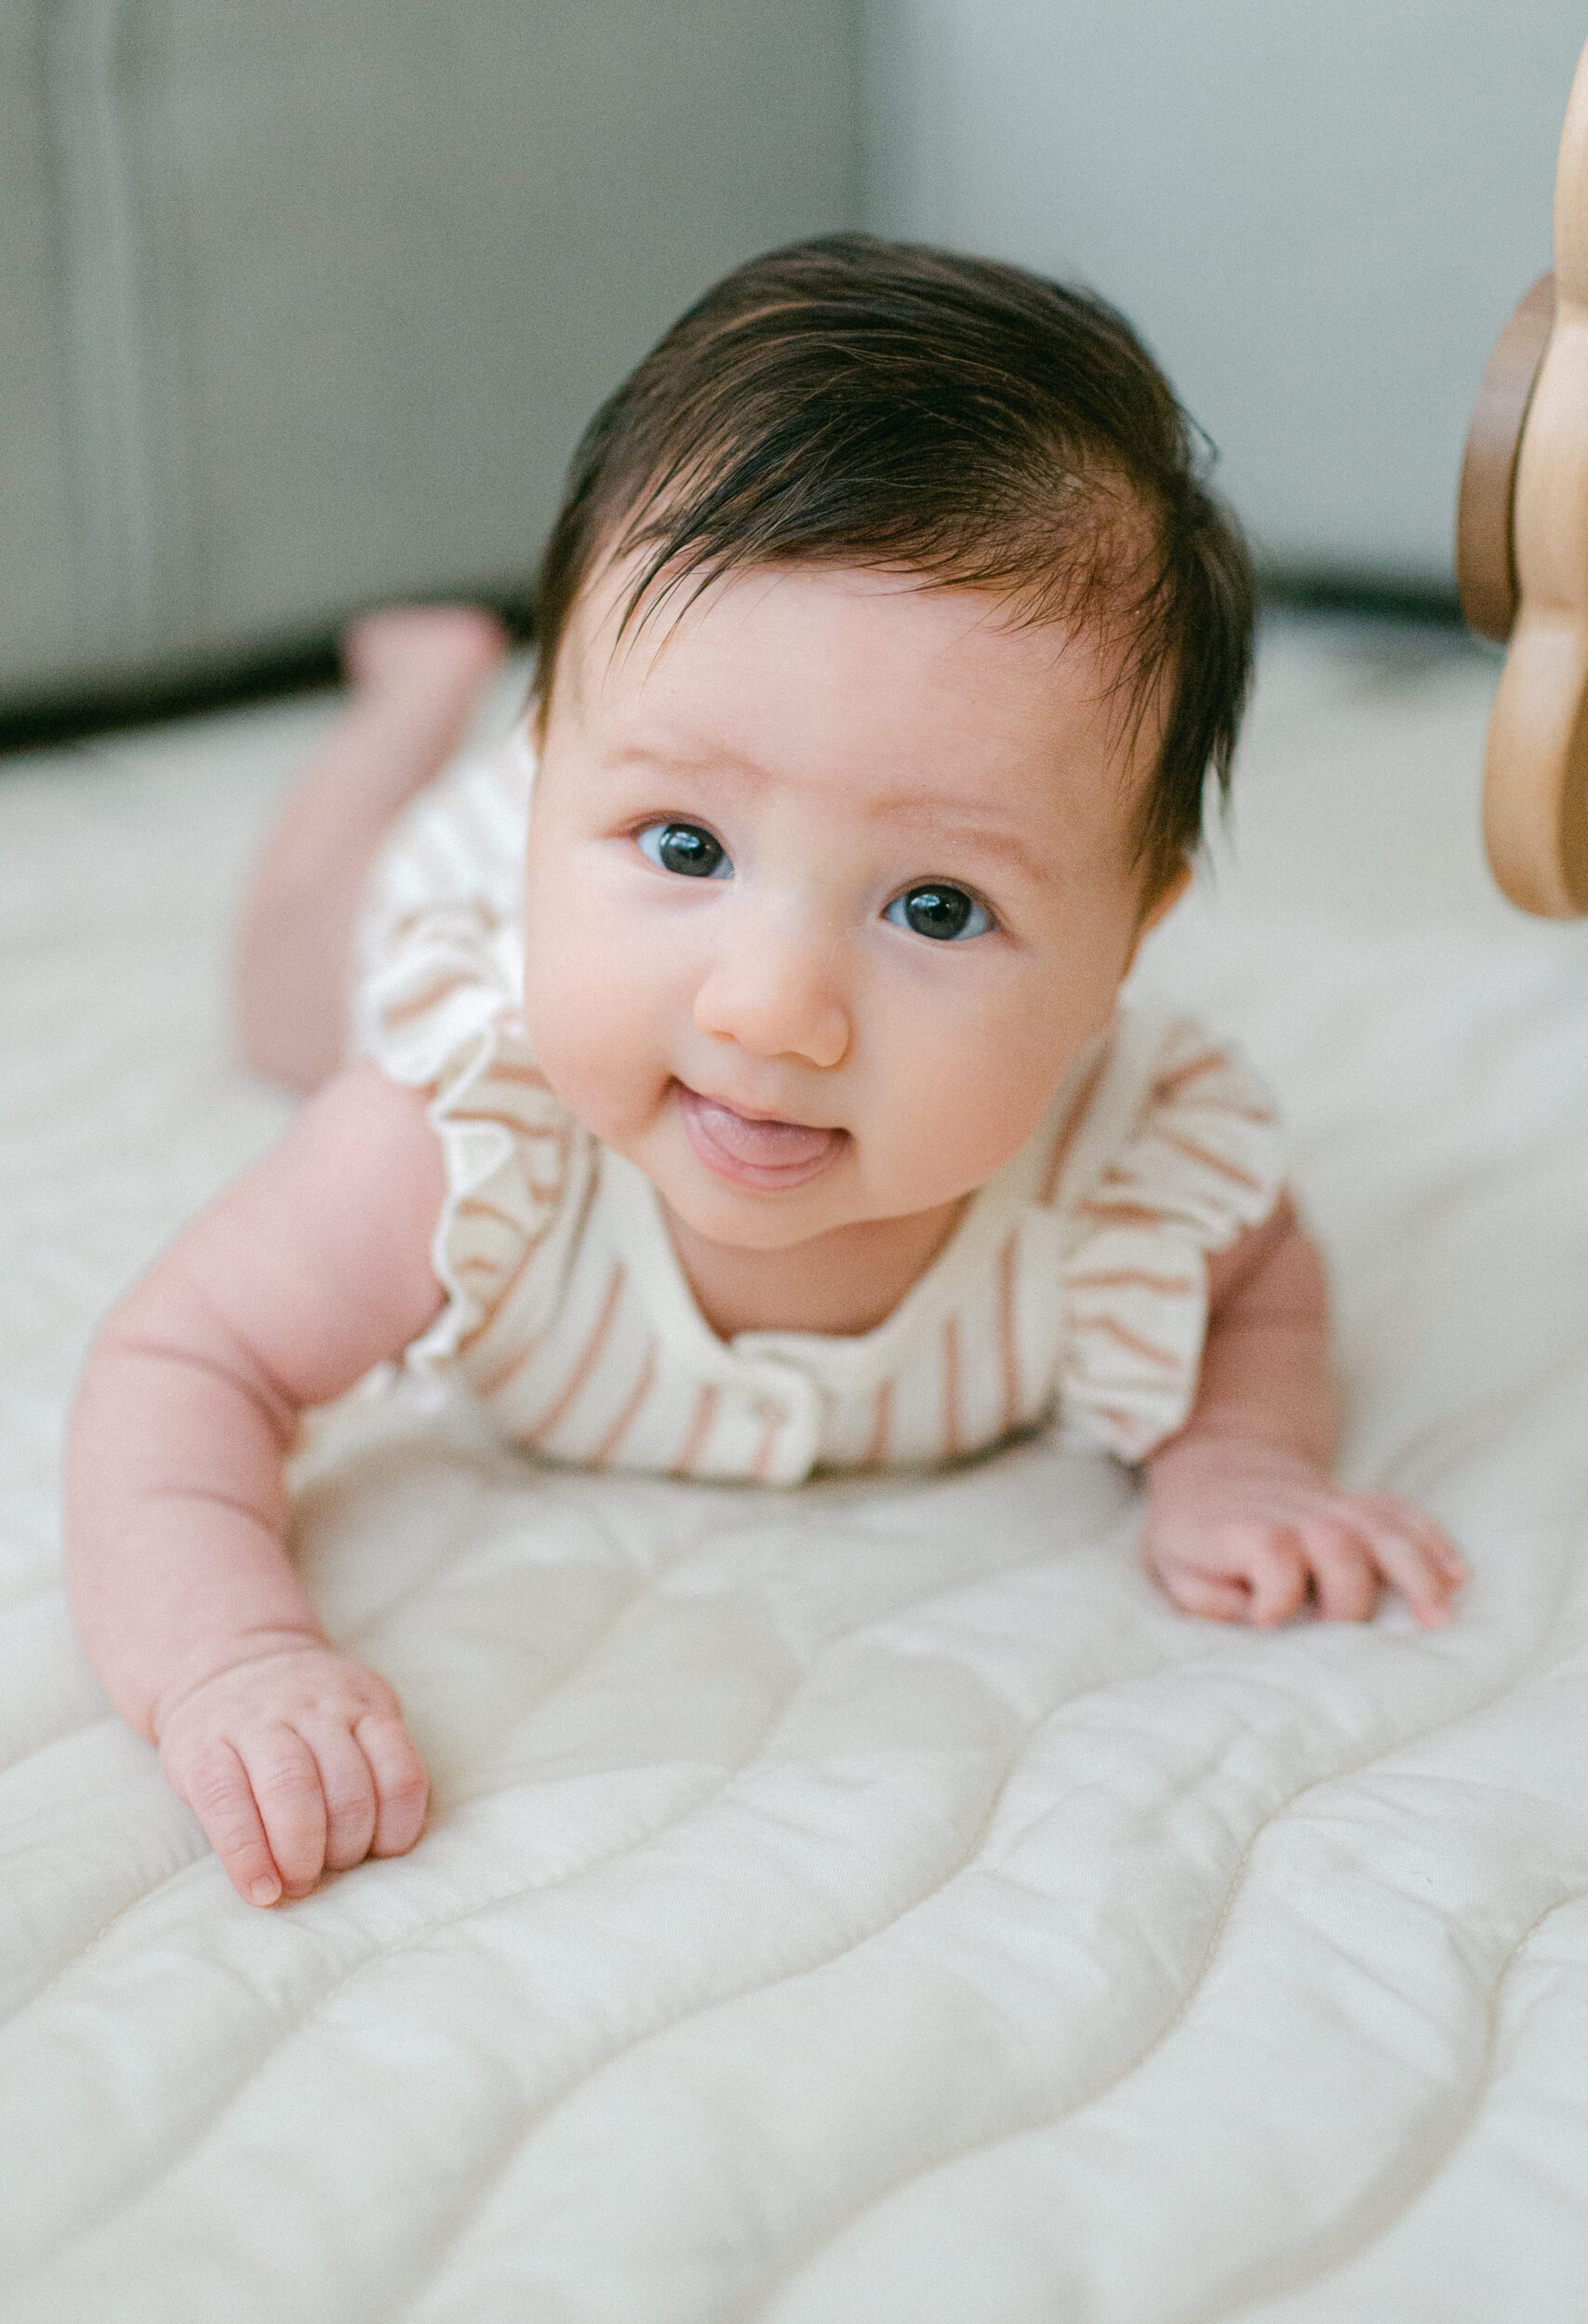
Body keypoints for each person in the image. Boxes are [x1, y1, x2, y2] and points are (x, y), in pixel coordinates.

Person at [66, 236, 1465, 1909]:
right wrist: (230, 1658)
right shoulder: (468, 1132)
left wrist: (1242, 1459)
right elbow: (178, 1362)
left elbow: (1267, 1291)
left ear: (1131, 932)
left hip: (621, 884)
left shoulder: (1130, 1162)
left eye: (937, 906)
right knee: (289, 1009)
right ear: (560, 790)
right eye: (688, 840)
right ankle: (410, 714)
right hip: (485, 897)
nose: (775, 1008)